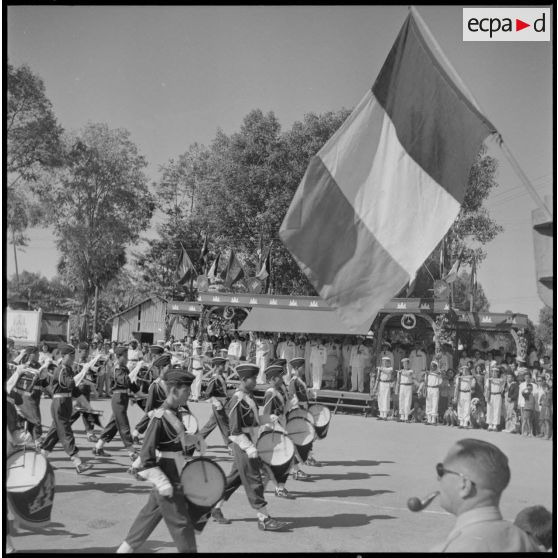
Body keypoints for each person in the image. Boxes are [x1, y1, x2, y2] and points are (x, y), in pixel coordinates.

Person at [117, 366, 200, 553]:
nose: (189, 394)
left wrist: (194, 439)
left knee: (148, 517)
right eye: (186, 390)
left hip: (175, 469)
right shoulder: (159, 418)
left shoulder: (176, 412)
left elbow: (176, 439)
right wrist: (161, 481)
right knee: (182, 525)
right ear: (173, 390)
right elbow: (147, 455)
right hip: (168, 475)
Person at [212, 363, 288, 531]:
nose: (256, 380)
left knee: (233, 480)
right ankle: (264, 519)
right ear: (244, 379)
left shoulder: (249, 396)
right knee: (255, 481)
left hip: (250, 443)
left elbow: (252, 422)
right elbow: (234, 431)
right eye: (253, 378)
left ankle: (215, 507)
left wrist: (268, 418)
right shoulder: (238, 399)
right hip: (244, 446)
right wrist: (249, 448)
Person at [431, 438, 541, 552]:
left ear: (464, 485)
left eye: (441, 471)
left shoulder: (458, 547)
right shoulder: (525, 541)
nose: (438, 478)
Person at [40, 344, 92, 474]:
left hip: (65, 402)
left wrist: (86, 404)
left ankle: (40, 459)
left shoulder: (68, 369)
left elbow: (74, 390)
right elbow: (70, 383)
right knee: (66, 432)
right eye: (71, 355)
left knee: (54, 434)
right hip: (60, 403)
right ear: (63, 356)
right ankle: (77, 462)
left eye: (74, 355)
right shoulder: (62, 369)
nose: (74, 357)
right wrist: (83, 372)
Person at [93, 345, 139, 459]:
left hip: (123, 398)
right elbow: (124, 381)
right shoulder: (117, 368)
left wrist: (140, 393)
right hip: (118, 398)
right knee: (124, 425)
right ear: (119, 357)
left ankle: (98, 447)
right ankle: (131, 451)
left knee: (113, 425)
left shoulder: (124, 368)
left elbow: (131, 385)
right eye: (125, 356)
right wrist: (137, 369)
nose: (127, 358)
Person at [260, 364, 296, 499]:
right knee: (277, 462)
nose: (282, 378)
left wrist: (290, 404)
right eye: (280, 376)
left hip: (279, 430)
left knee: (278, 462)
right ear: (273, 379)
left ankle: (276, 488)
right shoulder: (271, 393)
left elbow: (281, 412)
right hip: (273, 433)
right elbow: (268, 416)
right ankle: (275, 488)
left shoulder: (277, 391)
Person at [287, 357, 320, 471]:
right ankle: (305, 457)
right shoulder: (294, 381)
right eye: (302, 367)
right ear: (296, 368)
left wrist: (309, 394)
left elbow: (303, 394)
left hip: (305, 409)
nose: (303, 369)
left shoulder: (300, 380)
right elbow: (292, 397)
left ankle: (307, 455)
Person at [198, 356, 232, 452]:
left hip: (224, 403)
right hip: (219, 405)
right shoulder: (214, 378)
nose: (225, 367)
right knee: (225, 425)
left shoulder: (221, 376)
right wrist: (217, 403)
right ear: (218, 366)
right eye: (223, 365)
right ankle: (231, 445)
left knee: (210, 425)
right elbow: (207, 395)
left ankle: (195, 441)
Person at [485, 367, 505, 431]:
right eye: (492, 372)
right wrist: (486, 396)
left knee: (497, 410)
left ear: (497, 373)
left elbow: (502, 382)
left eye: (495, 372)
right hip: (490, 395)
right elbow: (486, 388)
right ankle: (490, 424)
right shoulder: (488, 380)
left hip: (498, 395)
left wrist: (493, 380)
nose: (494, 373)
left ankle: (495, 425)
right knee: (490, 409)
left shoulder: (501, 379)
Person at [424, 360, 443, 425]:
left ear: (436, 367)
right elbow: (425, 382)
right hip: (429, 388)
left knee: (434, 404)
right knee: (428, 403)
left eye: (434, 366)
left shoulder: (438, 374)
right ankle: (428, 419)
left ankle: (433, 419)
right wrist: (425, 389)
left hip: (435, 389)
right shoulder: (428, 373)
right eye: (431, 366)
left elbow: (440, 382)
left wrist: (438, 374)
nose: (432, 367)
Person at [395, 357, 414, 422]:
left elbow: (408, 374)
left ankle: (406, 416)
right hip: (402, 386)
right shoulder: (400, 371)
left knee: (407, 401)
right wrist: (397, 388)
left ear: (408, 364)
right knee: (401, 401)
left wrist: (401, 372)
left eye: (406, 364)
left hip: (408, 386)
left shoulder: (411, 370)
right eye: (403, 364)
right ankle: (402, 416)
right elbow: (398, 380)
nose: (405, 365)